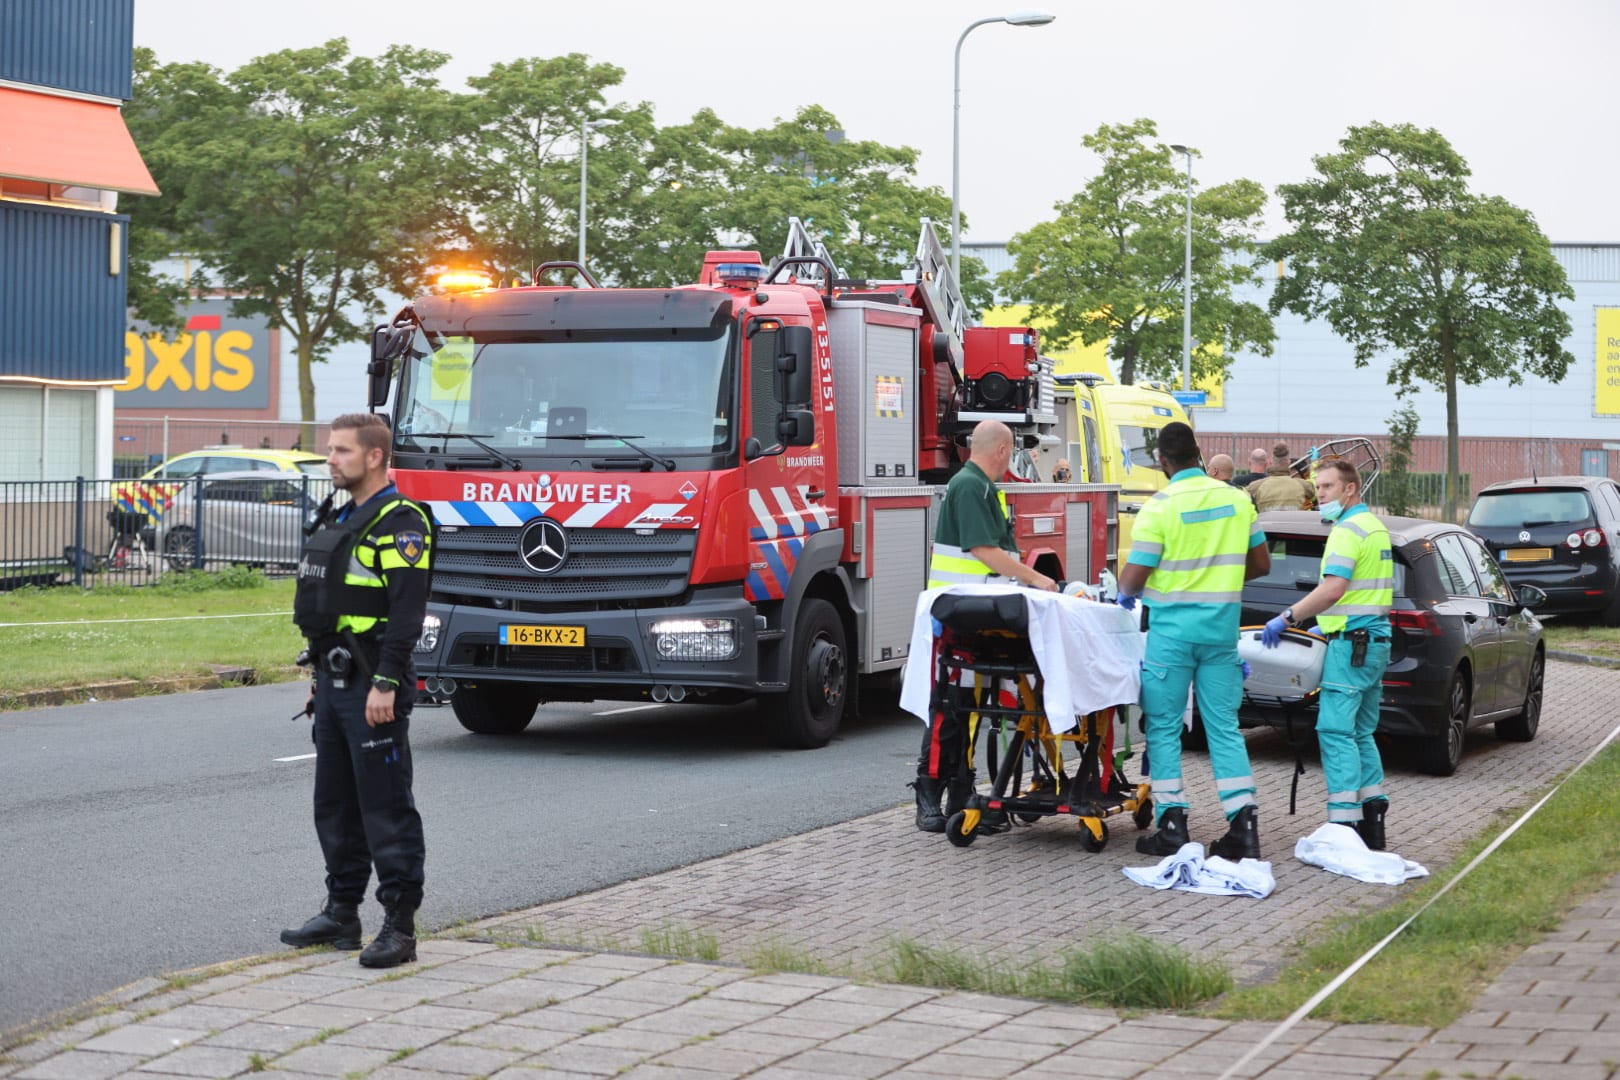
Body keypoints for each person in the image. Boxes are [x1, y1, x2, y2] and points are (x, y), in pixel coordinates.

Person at [282, 413, 433, 968]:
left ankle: (400, 927)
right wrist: (318, 684)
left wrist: (388, 683)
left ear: (374, 456)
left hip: (376, 686)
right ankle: (342, 914)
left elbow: (405, 614)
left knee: (385, 809)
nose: (330, 460)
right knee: (336, 808)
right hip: (335, 682)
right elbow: (330, 610)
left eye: (341, 451)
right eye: (329, 451)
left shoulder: (401, 522)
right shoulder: (339, 516)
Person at [1117, 421, 1271, 859]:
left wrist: (1123, 592)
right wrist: (1216, 577)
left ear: (1163, 462)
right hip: (1221, 633)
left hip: (1172, 636)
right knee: (1224, 728)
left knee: (1164, 727)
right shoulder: (1238, 499)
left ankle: (1172, 823)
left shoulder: (1160, 507)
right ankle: (1243, 826)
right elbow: (1260, 564)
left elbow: (1133, 579)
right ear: (1199, 453)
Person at [914, 420, 1058, 833]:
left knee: (970, 709)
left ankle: (962, 794)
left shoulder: (980, 488)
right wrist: (1036, 579)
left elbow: (995, 550)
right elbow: (983, 550)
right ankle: (929, 792)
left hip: (975, 615)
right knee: (950, 708)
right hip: (958, 617)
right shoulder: (970, 487)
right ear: (1001, 451)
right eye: (1009, 454)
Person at [1260, 459, 1393, 849]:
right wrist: (1328, 624)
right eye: (1317, 488)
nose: (1319, 495)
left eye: (1327, 488)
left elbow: (1334, 588)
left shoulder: (1346, 530)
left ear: (1350, 489)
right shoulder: (1374, 526)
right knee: (1362, 731)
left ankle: (1344, 825)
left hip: (1353, 646)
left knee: (1335, 732)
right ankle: (1373, 815)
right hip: (1373, 641)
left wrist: (1289, 617)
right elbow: (1362, 594)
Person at [1247, 441, 1315, 512]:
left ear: (1271, 462)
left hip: (1267, 522)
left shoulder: (1255, 487)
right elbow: (1317, 488)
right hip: (1294, 523)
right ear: (1289, 462)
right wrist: (1314, 463)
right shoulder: (1303, 485)